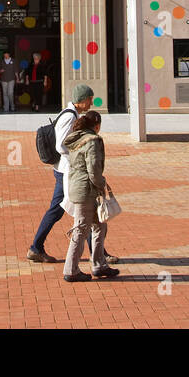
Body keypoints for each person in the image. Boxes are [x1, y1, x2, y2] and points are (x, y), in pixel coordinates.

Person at [27, 83, 117, 264]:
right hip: (67, 171)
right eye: (90, 99)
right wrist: (78, 154)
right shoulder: (69, 117)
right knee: (86, 209)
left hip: (63, 170)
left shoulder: (71, 114)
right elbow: (61, 145)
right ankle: (98, 254)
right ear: (82, 100)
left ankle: (36, 247)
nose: (91, 102)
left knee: (59, 210)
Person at [61, 110, 118, 282]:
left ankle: (99, 264)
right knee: (81, 228)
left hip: (79, 187)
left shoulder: (77, 138)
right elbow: (93, 170)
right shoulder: (92, 141)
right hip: (86, 190)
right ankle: (70, 270)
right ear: (97, 125)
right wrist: (102, 184)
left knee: (100, 225)